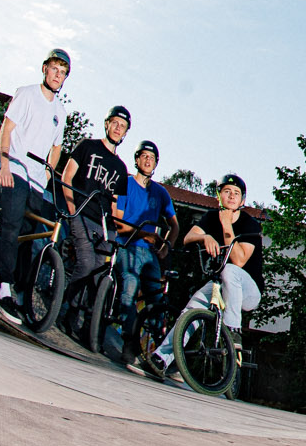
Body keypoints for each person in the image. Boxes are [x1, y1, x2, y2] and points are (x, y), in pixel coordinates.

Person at [148, 175, 263, 379]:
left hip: (248, 290)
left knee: (229, 270)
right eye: (226, 191)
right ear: (219, 196)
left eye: (236, 194)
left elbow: (239, 261)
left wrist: (227, 225)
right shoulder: (211, 218)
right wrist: (205, 236)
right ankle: (160, 358)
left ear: (242, 201)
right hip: (222, 283)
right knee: (192, 308)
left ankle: (233, 331)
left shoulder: (249, 224)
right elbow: (187, 238)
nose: (231, 196)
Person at [0, 49, 70, 312]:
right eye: (54, 69)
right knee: (12, 224)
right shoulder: (26, 93)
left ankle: (22, 291)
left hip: (38, 177)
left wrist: (48, 173)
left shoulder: (60, 111)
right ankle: (4, 287)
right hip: (15, 165)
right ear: (45, 69)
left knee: (28, 235)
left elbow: (57, 148)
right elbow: (7, 127)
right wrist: (4, 161)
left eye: (63, 73)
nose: (58, 75)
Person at [109, 140, 175, 357]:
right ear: (137, 159)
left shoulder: (160, 192)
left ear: (156, 163)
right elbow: (118, 221)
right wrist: (145, 233)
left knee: (157, 297)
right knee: (129, 286)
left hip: (149, 254)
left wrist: (166, 247)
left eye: (152, 158)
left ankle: (160, 353)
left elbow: (175, 225)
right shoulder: (125, 183)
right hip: (126, 246)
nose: (148, 160)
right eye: (144, 156)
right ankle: (128, 342)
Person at [58, 106, 131, 291]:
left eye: (122, 126)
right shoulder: (87, 146)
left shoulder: (121, 168)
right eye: (115, 123)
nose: (117, 128)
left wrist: (116, 231)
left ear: (125, 132)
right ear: (107, 124)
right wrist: (72, 210)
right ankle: (64, 305)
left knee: (98, 273)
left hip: (104, 225)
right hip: (81, 214)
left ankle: (79, 314)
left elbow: (115, 203)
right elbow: (67, 177)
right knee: (86, 263)